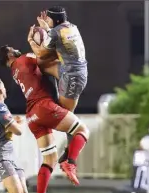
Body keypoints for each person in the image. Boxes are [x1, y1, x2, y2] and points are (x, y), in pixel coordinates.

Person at [0, 45, 89, 193]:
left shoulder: (15, 71)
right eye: (11, 48)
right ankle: (70, 162)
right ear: (9, 53)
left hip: (32, 116)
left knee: (49, 160)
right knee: (82, 130)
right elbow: (45, 57)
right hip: (44, 106)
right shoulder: (24, 59)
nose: (15, 49)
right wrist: (52, 44)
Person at [27, 5, 88, 168]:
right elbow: (55, 48)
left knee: (66, 115)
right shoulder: (70, 27)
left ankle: (71, 158)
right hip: (69, 69)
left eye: (49, 19)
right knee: (41, 65)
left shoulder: (54, 32)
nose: (46, 21)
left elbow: (42, 53)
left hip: (72, 76)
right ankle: (48, 97)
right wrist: (47, 28)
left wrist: (32, 40)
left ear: (54, 20)